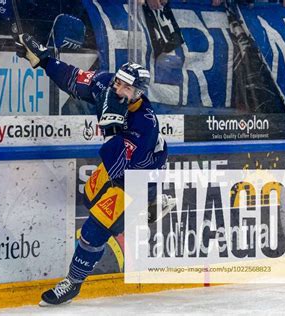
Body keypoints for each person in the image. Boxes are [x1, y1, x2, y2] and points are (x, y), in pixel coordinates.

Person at [15, 33, 175, 306]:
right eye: (118, 82)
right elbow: (73, 78)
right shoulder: (105, 85)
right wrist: (44, 60)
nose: (118, 90)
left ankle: (73, 283)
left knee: (94, 230)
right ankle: (145, 210)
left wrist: (112, 127)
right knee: (90, 197)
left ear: (138, 93)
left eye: (126, 88)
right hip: (122, 168)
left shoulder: (145, 124)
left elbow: (118, 167)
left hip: (135, 179)